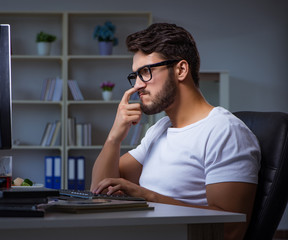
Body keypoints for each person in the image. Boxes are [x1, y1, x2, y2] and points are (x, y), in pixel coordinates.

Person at [90, 23, 261, 240]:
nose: (137, 86)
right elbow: (101, 190)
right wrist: (114, 136)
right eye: (136, 75)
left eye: (146, 72)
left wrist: (146, 196)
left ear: (181, 70)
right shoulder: (160, 129)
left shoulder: (225, 131)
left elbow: (230, 229)